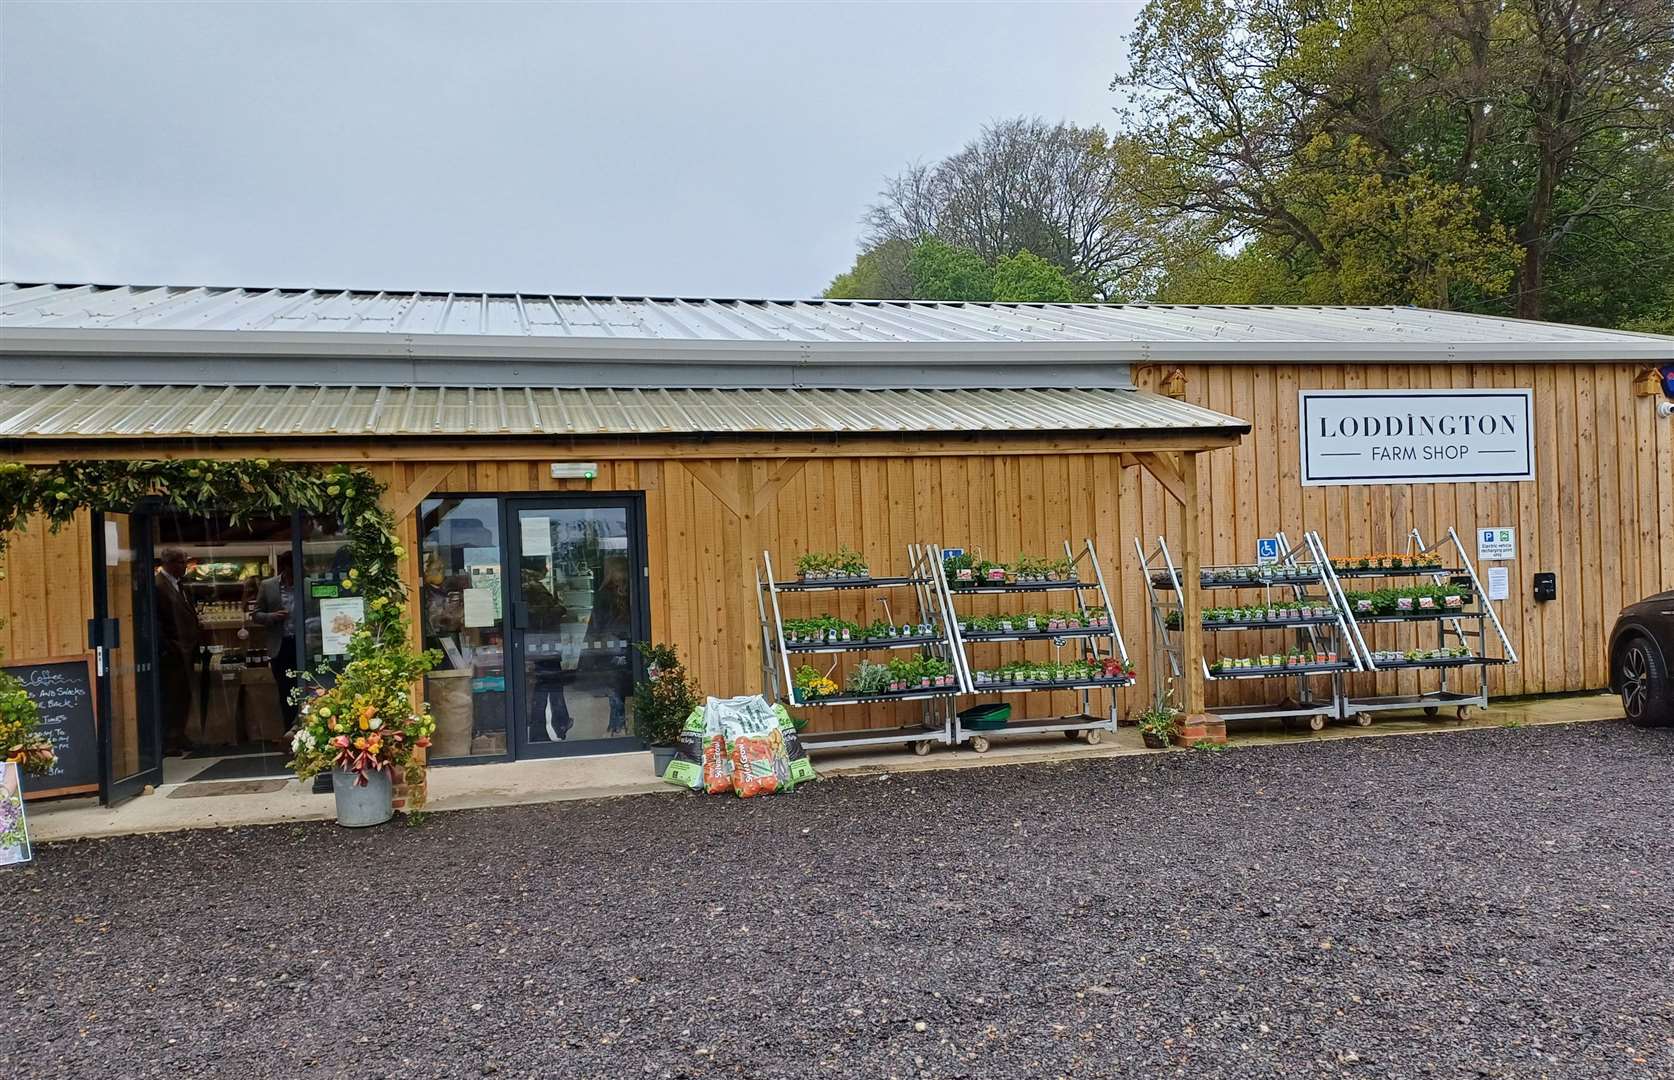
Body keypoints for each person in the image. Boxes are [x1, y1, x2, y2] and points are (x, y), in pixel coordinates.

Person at [153, 547, 201, 755]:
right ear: (170, 563)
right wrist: (170, 645)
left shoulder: (181, 585)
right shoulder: (158, 586)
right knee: (171, 697)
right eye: (182, 562)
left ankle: (179, 734)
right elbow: (157, 622)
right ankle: (168, 739)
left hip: (186, 650)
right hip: (172, 652)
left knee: (183, 695)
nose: (185, 566)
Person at [581, 555, 632, 735]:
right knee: (624, 681)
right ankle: (620, 724)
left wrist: (590, 641)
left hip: (610, 642)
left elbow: (597, 621)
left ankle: (617, 724)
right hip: (629, 641)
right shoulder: (633, 589)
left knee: (613, 683)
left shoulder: (604, 593)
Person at [253, 559, 298, 726]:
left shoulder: (307, 583)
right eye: (291, 571)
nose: (294, 576)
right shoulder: (268, 585)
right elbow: (256, 615)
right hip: (281, 646)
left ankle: (309, 731)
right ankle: (290, 730)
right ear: (284, 568)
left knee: (309, 689)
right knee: (286, 691)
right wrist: (272, 616)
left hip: (304, 645)